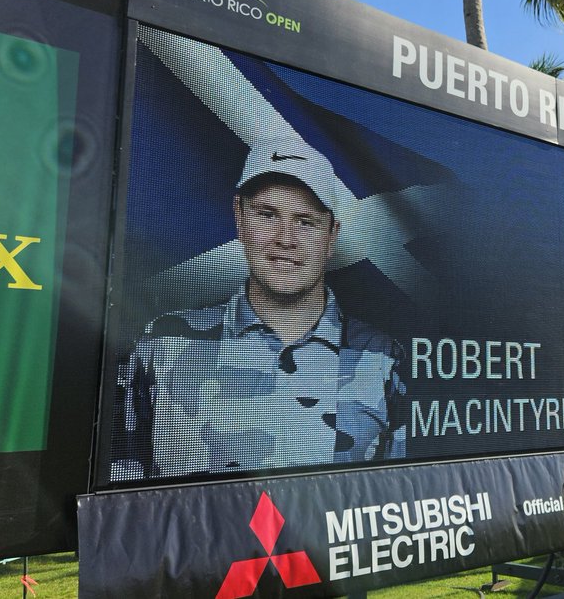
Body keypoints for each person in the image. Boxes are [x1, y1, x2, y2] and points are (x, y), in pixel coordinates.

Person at [111, 141, 405, 480]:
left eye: (305, 222)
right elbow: (124, 501)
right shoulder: (164, 343)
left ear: (331, 235)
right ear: (239, 217)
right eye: (267, 215)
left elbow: (390, 500)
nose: (285, 238)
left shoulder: (381, 358)